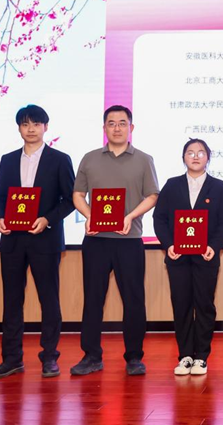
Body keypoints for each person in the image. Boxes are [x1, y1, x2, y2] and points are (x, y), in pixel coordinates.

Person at [70, 105, 160, 376]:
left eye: (122, 123)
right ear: (104, 128)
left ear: (131, 128)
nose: (117, 128)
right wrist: (89, 216)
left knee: (134, 299)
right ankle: (91, 356)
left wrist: (130, 216)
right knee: (93, 299)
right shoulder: (89, 159)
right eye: (111, 123)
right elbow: (77, 195)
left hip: (129, 239)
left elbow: (152, 195)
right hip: (96, 240)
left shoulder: (144, 159)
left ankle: (134, 357)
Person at [0, 104, 75, 379]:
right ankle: (11, 359)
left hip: (45, 240)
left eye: (36, 124)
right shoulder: (7, 160)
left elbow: (69, 200)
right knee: (12, 301)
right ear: (19, 128)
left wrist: (47, 220)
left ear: (45, 127)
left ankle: (49, 357)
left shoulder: (59, 159)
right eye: (25, 124)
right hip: (12, 240)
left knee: (49, 299)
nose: (31, 129)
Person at [153, 138, 223, 376]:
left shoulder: (218, 187)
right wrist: (168, 245)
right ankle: (185, 355)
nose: (196, 156)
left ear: (208, 157)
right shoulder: (172, 185)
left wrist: (214, 246)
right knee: (182, 305)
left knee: (204, 305)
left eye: (200, 152)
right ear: (183, 157)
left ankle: (201, 357)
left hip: (205, 257)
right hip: (178, 257)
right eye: (190, 152)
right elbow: (160, 219)